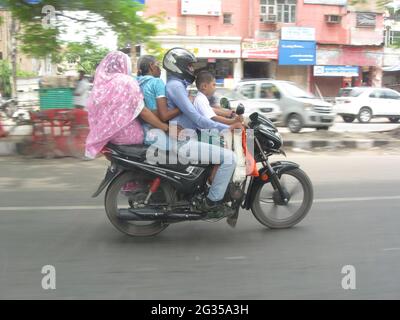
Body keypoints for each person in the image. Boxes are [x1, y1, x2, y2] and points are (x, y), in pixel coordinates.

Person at [163, 47, 243, 217]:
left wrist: (226, 122)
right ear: (179, 66)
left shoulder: (178, 86)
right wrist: (228, 128)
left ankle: (206, 189)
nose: (192, 70)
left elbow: (200, 116)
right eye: (190, 66)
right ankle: (211, 202)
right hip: (183, 142)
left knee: (221, 148)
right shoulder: (176, 86)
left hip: (186, 137)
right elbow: (197, 119)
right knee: (229, 158)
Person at [85, 51, 169, 159]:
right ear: (123, 64)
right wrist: (164, 127)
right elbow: (142, 111)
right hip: (129, 136)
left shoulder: (101, 85)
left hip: (107, 137)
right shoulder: (126, 81)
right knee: (173, 153)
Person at [136, 55, 181, 145]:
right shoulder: (157, 82)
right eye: (158, 65)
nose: (160, 69)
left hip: (141, 131)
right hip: (157, 132)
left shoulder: (136, 81)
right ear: (151, 66)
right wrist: (182, 107)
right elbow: (164, 116)